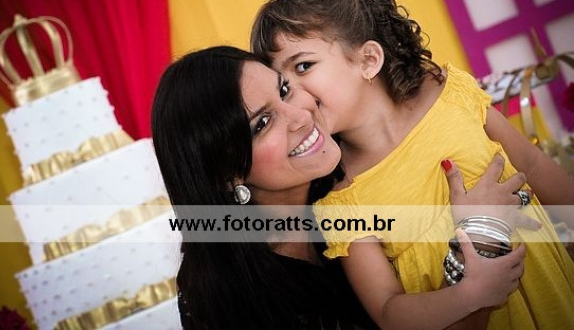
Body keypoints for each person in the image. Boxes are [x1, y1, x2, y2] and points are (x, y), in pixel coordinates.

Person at [250, 0, 574, 329]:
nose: (295, 97)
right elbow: (389, 312)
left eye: (304, 66)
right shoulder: (343, 201)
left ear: (368, 60)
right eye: (283, 85)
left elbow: (533, 165)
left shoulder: (451, 94)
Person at [151, 45, 528, 330]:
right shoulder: (231, 303)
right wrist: (481, 237)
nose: (301, 114)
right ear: (226, 174)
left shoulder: (346, 191)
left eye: (285, 89)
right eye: (262, 123)